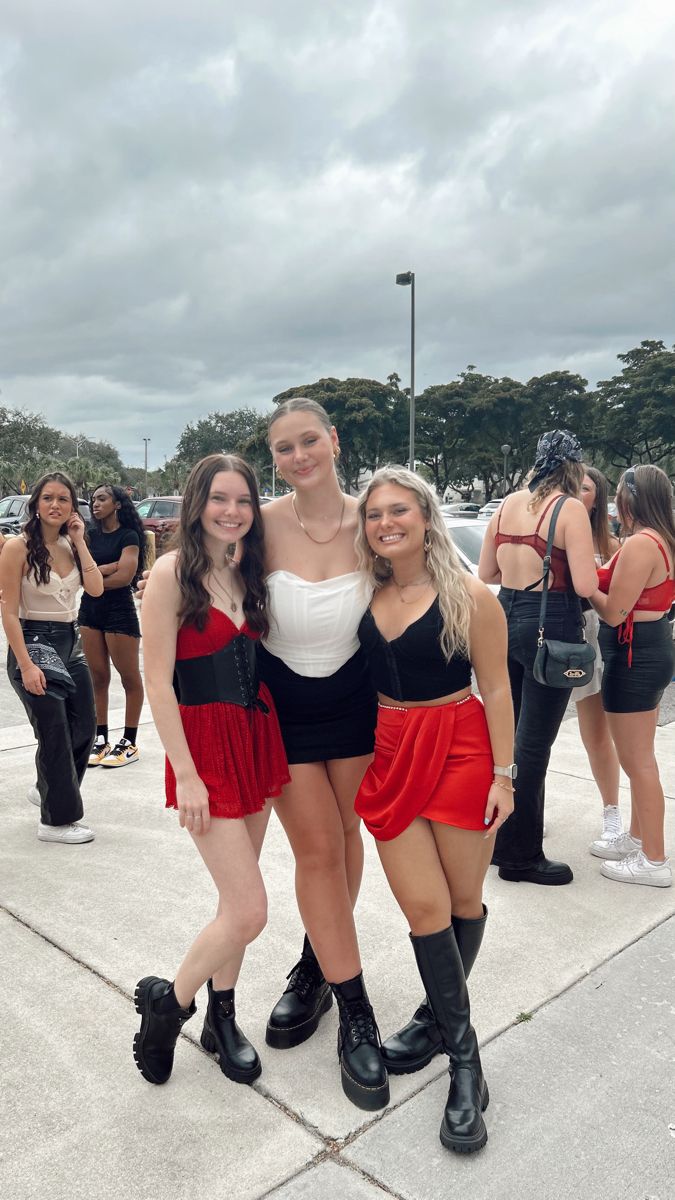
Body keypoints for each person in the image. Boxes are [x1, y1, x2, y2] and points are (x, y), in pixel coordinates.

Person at [353, 467, 514, 1153]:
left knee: (461, 903)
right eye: (372, 515)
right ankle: (463, 1055)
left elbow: (499, 689)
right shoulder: (363, 591)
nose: (385, 523)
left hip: (459, 749)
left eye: (398, 511)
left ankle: (443, 1037)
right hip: (389, 751)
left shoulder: (469, 595)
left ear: (424, 515)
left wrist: (505, 777)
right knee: (424, 912)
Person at [133, 454, 290, 1087]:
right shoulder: (172, 572)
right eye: (220, 499)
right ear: (197, 502)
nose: (232, 511)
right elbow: (155, 680)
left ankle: (221, 1018)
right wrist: (186, 773)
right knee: (251, 909)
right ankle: (168, 1005)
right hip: (204, 747)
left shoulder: (246, 568)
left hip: (256, 736)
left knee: (234, 901)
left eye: (244, 501)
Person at [259, 397, 388, 1111]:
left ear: (333, 441)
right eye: (284, 448)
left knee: (346, 836)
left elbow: (441, 578)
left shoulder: (372, 517)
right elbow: (197, 566)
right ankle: (356, 1007)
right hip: (281, 707)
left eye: (309, 440)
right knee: (315, 851)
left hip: (355, 700)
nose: (299, 456)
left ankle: (315, 962)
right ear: (273, 457)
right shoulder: (260, 523)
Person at [478, 430, 598, 885]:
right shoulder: (569, 509)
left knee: (505, 736)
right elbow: (585, 585)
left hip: (505, 615)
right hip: (552, 620)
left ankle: (499, 838)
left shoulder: (507, 503)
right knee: (533, 745)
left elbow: (487, 571)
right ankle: (521, 856)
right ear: (574, 467)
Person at [0, 472, 103, 843]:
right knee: (55, 731)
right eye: (48, 498)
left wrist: (79, 540)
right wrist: (25, 664)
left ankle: (49, 786)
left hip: (69, 642)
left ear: (73, 506)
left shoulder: (72, 544)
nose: (55, 505)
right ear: (36, 504)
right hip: (33, 641)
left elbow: (95, 588)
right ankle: (55, 822)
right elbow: (9, 612)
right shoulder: (18, 547)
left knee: (86, 727)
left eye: (63, 499)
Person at [590, 464, 675, 887]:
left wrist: (587, 583)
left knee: (637, 761)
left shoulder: (642, 543)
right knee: (643, 756)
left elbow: (613, 610)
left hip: (634, 655)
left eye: (620, 494)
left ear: (632, 498)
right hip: (648, 648)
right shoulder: (659, 539)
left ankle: (654, 860)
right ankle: (641, 839)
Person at [572, 467, 624, 855]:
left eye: (584, 488)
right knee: (531, 734)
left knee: (596, 736)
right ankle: (526, 812)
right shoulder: (552, 533)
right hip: (551, 639)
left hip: (594, 640)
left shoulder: (613, 544)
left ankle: (611, 811)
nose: (576, 493)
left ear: (597, 497)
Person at [79, 484, 146, 768]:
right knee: (97, 677)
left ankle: (129, 741)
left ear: (117, 504)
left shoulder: (128, 536)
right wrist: (108, 568)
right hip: (90, 612)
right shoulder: (90, 536)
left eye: (102, 498)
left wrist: (95, 576)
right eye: (93, 499)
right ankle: (101, 737)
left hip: (120, 611)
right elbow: (80, 573)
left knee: (129, 677)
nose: (95, 503)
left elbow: (125, 576)